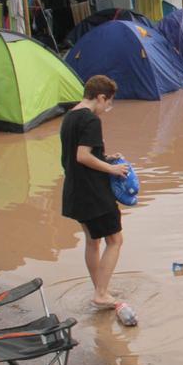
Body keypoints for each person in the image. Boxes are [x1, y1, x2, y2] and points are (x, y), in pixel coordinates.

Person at [60, 75, 129, 310]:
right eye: (108, 103)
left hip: (75, 192)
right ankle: (101, 294)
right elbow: (82, 156)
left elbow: (73, 156)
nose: (107, 108)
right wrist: (112, 168)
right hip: (93, 193)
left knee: (93, 242)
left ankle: (101, 288)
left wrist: (103, 158)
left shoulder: (70, 116)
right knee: (115, 240)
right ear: (100, 97)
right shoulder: (90, 120)